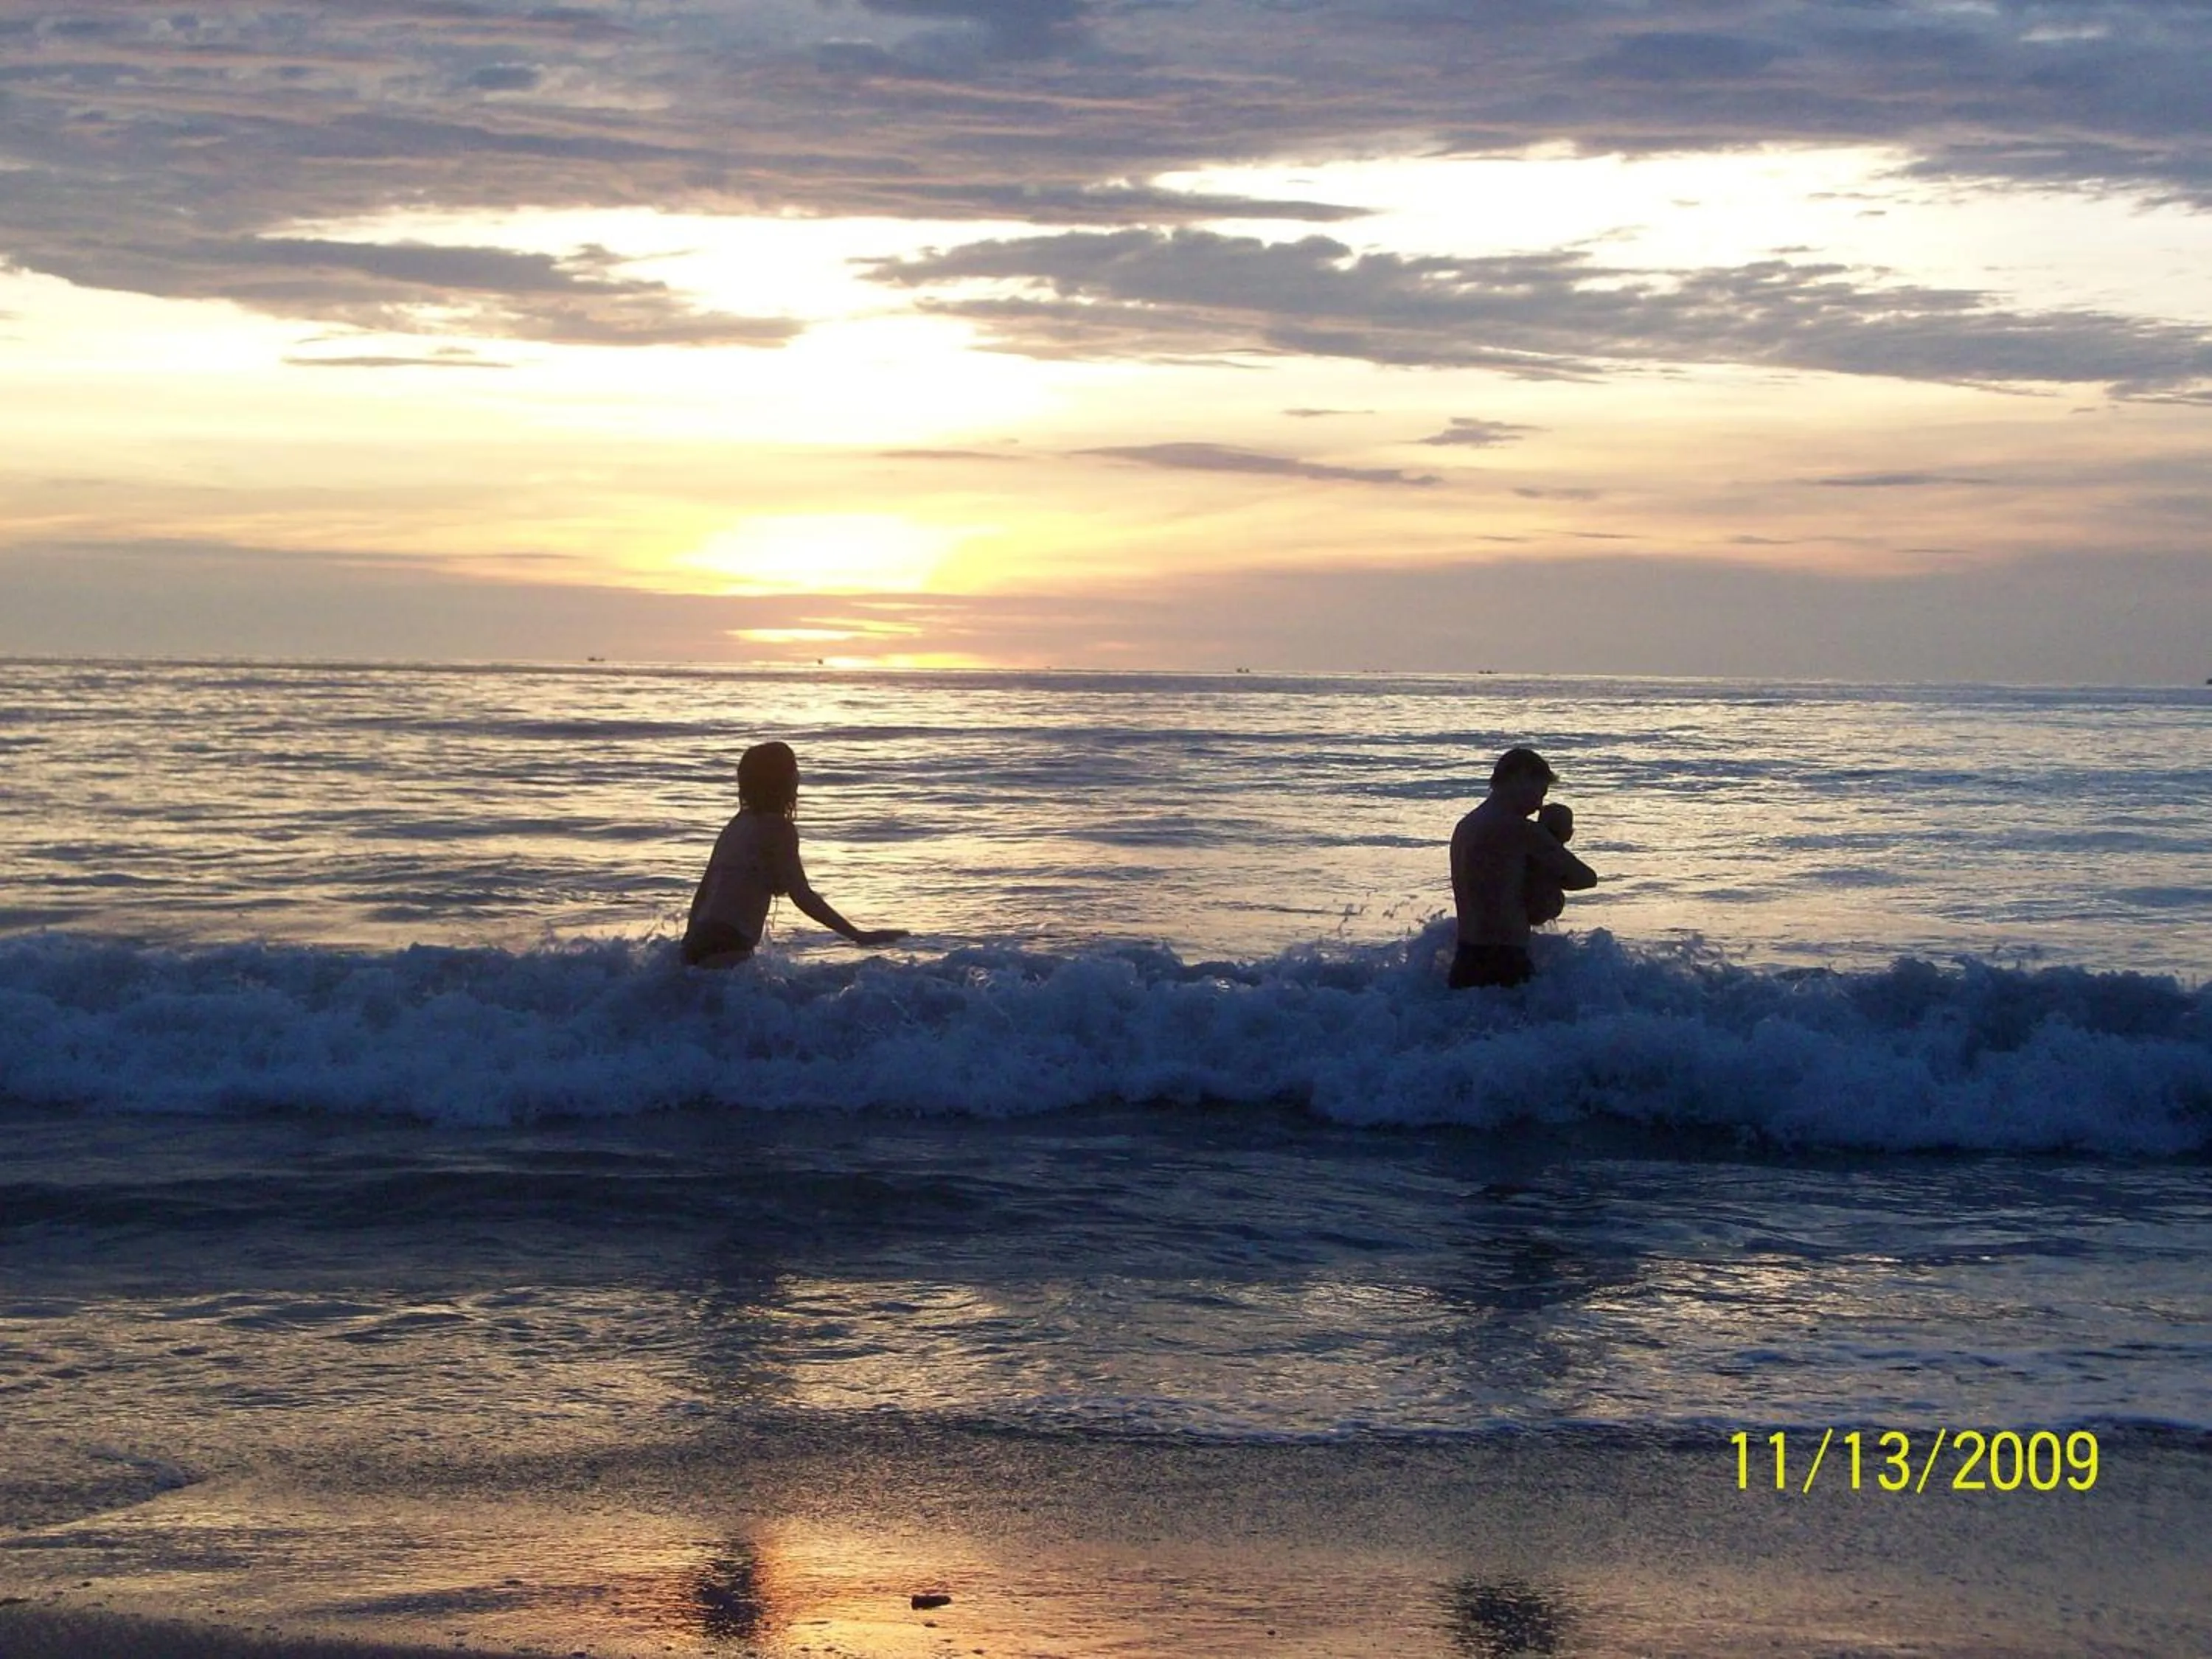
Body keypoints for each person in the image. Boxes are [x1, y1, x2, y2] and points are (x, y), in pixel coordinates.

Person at [682, 740, 908, 967]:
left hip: (697, 938)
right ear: (783, 781)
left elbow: (704, 890)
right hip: (730, 941)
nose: (798, 776)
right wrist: (857, 935)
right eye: (794, 770)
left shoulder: (736, 825)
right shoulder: (779, 830)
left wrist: (687, 943)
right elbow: (802, 895)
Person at [1448, 746, 1596, 989]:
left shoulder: (1466, 825)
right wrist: (1553, 839)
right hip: (1504, 962)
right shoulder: (1519, 829)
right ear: (1520, 777)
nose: (1539, 806)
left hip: (1465, 959)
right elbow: (1585, 878)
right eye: (1540, 792)